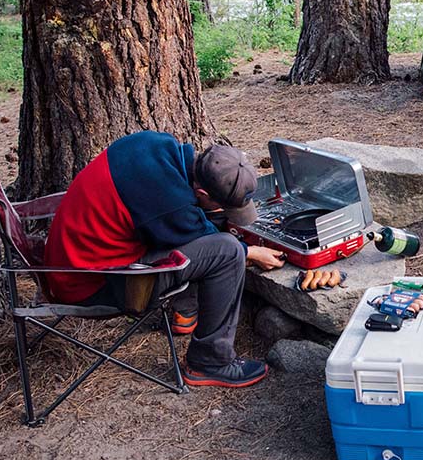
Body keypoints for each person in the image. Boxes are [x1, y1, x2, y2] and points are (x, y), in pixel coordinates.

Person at [43, 131, 286, 388]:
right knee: (228, 252)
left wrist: (215, 218)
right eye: (223, 206)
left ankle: (185, 313)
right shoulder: (173, 206)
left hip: (70, 265)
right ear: (202, 191)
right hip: (90, 285)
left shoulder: (156, 144)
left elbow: (183, 226)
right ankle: (210, 362)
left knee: (204, 231)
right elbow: (207, 242)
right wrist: (249, 251)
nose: (226, 212)